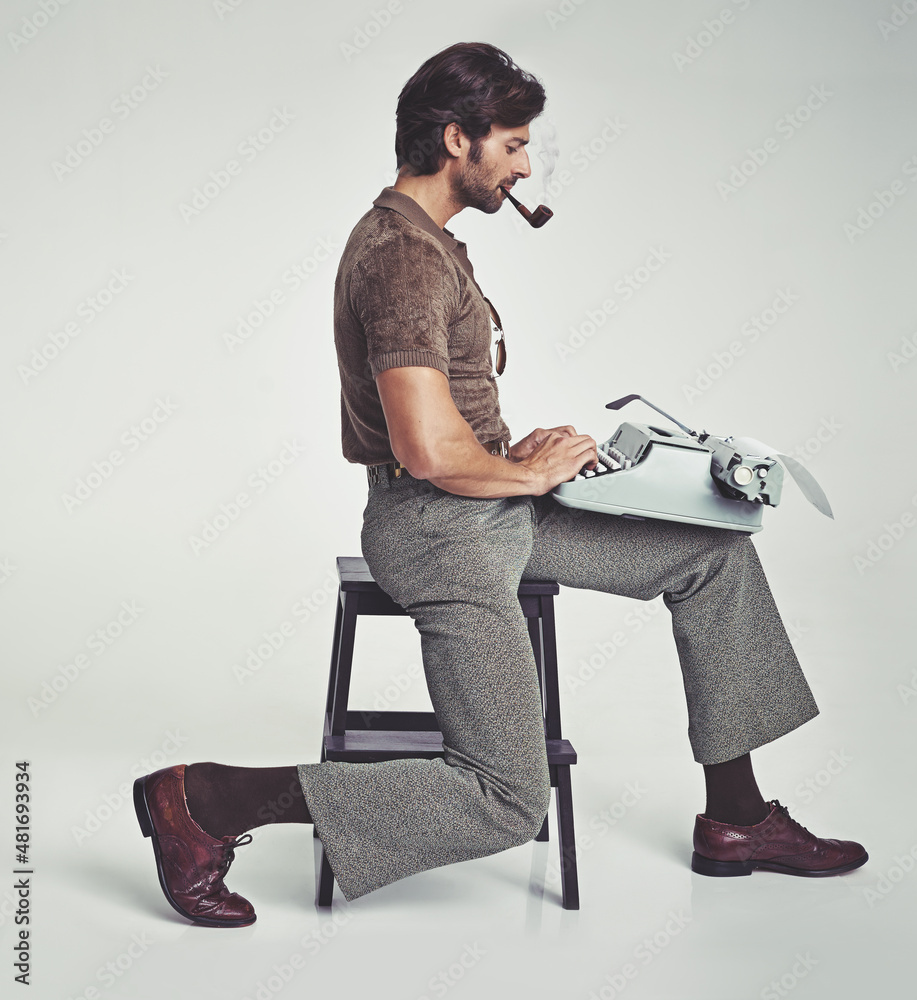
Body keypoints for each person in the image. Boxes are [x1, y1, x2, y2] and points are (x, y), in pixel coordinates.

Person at [133, 42, 867, 929]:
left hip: (487, 507)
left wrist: (526, 452)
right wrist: (527, 469)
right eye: (513, 143)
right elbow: (427, 448)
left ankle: (740, 822)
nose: (525, 163)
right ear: (457, 140)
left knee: (713, 555)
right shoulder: (401, 256)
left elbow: (450, 425)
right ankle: (206, 800)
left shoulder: (431, 243)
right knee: (507, 799)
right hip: (439, 529)